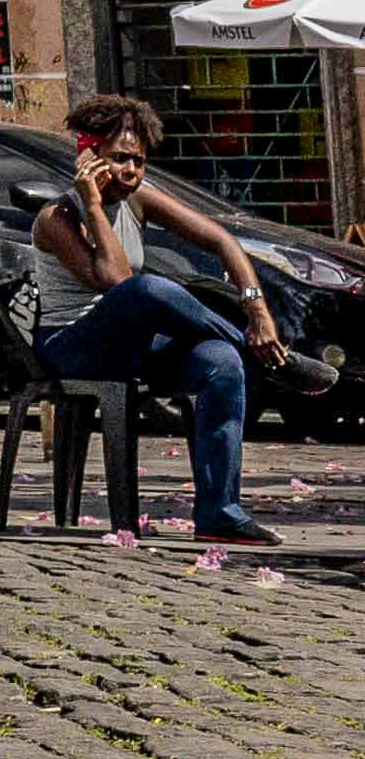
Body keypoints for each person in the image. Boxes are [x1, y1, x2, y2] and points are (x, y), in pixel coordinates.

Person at [32, 93, 336, 543]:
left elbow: (223, 242)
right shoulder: (57, 216)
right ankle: (275, 361)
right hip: (72, 347)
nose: (131, 171)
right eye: (118, 159)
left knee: (220, 362)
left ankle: (219, 513)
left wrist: (257, 310)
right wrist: (93, 205)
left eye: (138, 160)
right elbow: (116, 281)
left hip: (133, 345)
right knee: (147, 287)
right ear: (88, 156)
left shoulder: (138, 200)